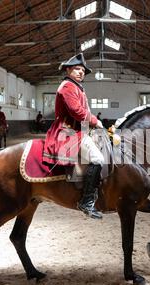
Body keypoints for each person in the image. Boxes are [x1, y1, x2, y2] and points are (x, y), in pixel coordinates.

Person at [42, 53, 104, 219]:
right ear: (68, 69)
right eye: (77, 69)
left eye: (83, 70)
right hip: (69, 131)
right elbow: (77, 111)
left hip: (80, 129)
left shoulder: (77, 87)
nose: (81, 72)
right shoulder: (67, 87)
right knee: (98, 159)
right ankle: (86, 201)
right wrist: (95, 121)